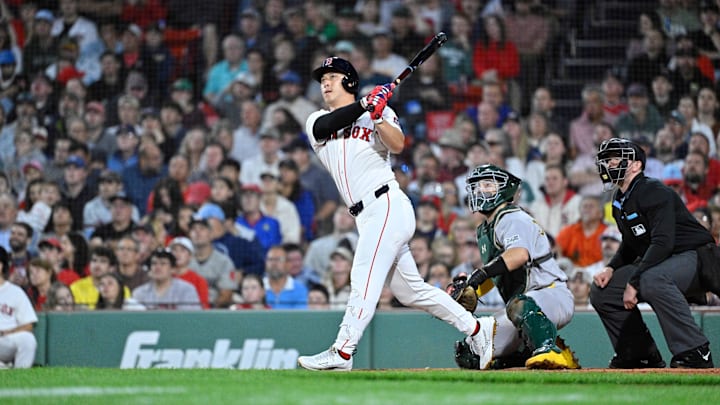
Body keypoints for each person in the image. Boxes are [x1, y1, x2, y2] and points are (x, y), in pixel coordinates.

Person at [297, 57, 486, 371]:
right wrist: (363, 104)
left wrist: (377, 114)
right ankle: (478, 330)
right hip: (365, 215)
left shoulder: (378, 112)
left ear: (349, 80)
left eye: (333, 76)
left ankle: (342, 351)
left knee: (363, 275)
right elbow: (326, 126)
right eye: (322, 78)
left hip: (386, 204)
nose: (326, 83)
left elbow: (398, 145)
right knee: (410, 291)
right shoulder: (316, 118)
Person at [590, 138, 714, 369]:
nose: (608, 164)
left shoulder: (654, 190)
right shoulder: (620, 199)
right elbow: (631, 244)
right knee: (603, 290)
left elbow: (663, 242)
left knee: (651, 279)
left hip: (697, 256)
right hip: (665, 261)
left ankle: (695, 351)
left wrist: (634, 282)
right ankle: (638, 354)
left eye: (615, 159)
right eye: (606, 160)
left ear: (636, 165)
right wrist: (612, 267)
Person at [448, 164, 579, 370]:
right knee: (471, 351)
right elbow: (498, 271)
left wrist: (479, 275)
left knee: (519, 304)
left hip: (551, 294)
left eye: (488, 185)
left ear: (505, 189)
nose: (480, 190)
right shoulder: (485, 229)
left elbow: (518, 255)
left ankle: (549, 349)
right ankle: (525, 352)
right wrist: (473, 288)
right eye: (478, 186)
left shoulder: (512, 216)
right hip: (520, 305)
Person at [0, 246, 38, 368]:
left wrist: (8, 332)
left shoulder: (14, 292)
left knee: (27, 339)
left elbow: (29, 324)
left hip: (6, 340)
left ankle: (21, 374)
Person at [133, 248, 202, 310]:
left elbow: (192, 319)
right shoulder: (139, 293)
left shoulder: (186, 290)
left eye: (163, 263)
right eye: (154, 263)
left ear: (173, 269)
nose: (158, 267)